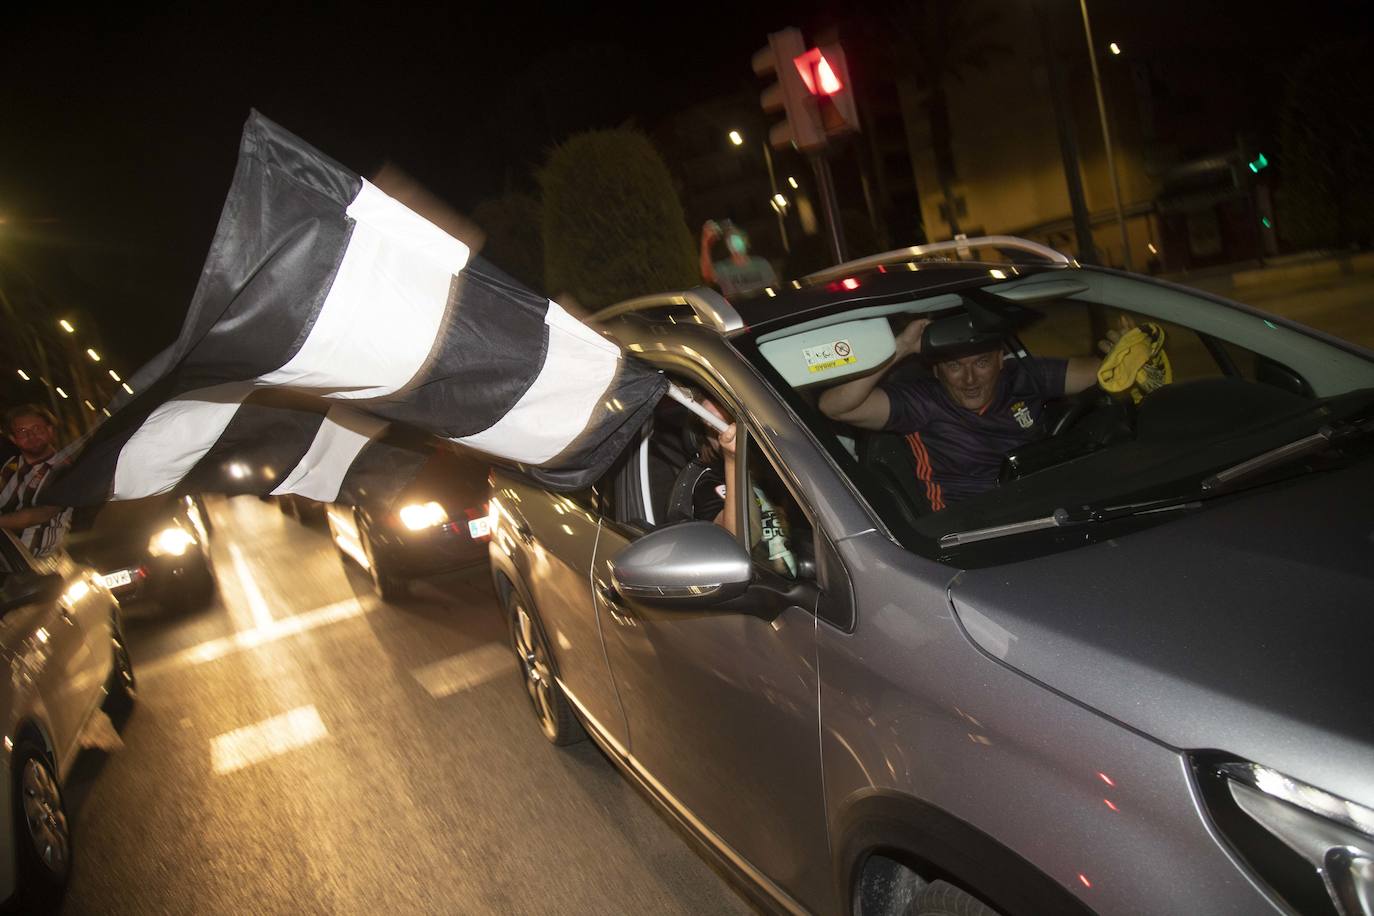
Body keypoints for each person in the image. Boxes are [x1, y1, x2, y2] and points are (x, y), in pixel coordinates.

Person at [818, 317, 1124, 510]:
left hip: (1044, 508)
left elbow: (1104, 373)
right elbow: (835, 406)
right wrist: (903, 346)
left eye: (981, 363)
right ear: (937, 370)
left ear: (1000, 360)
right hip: (968, 528)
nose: (970, 379)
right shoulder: (923, 402)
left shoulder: (1024, 376)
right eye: (954, 366)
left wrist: (1123, 353)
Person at [0, 404, 74, 556]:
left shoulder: (64, 470)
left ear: (50, 430)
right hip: (7, 559)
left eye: (37, 429)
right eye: (23, 432)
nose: (31, 436)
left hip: (38, 561)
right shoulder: (11, 466)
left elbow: (40, 514)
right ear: (13, 439)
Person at [700, 220, 777, 298]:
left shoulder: (761, 264)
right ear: (727, 244)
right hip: (736, 309)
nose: (734, 241)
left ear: (746, 241)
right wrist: (705, 242)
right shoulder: (723, 268)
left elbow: (775, 289)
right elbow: (707, 275)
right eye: (730, 238)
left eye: (738, 237)